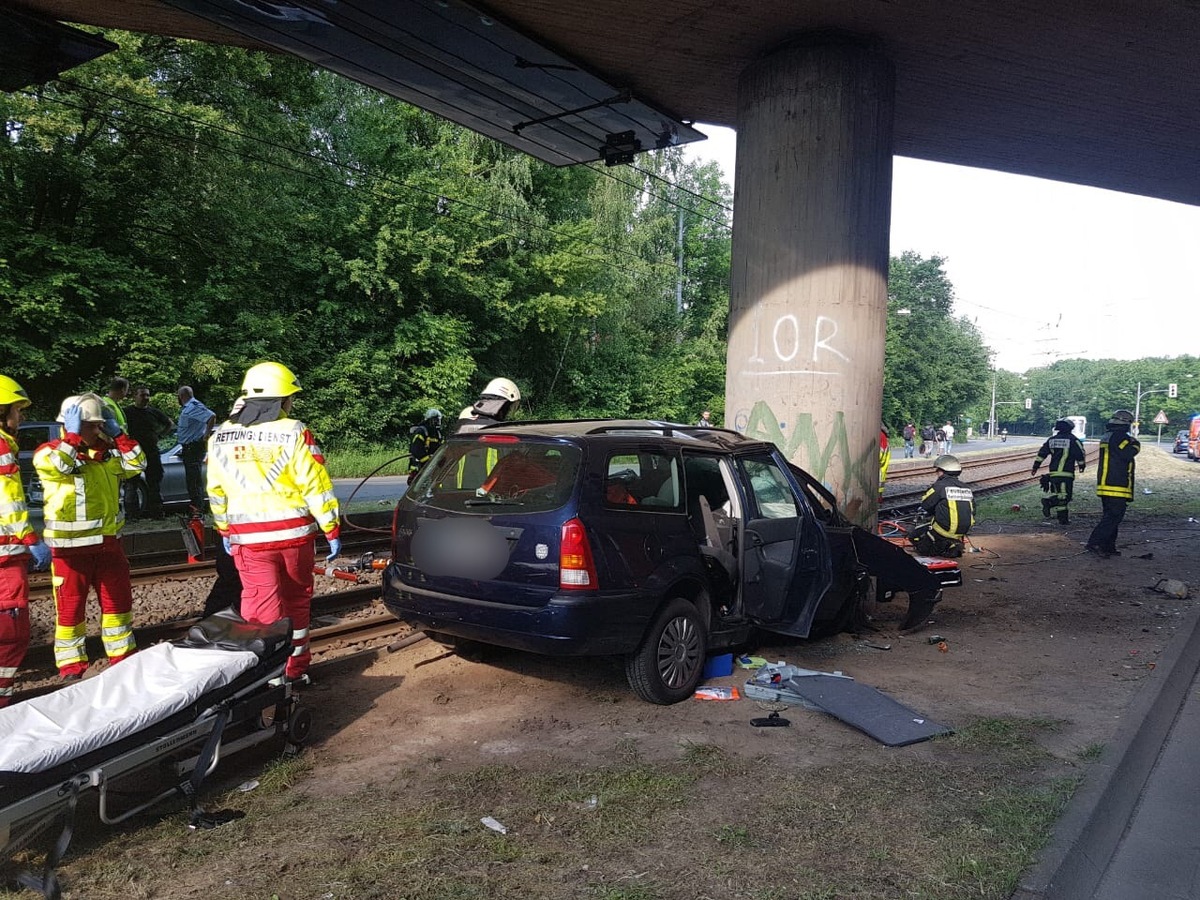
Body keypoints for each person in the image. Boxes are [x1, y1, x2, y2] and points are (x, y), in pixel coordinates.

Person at [206, 362, 340, 683]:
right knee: (296, 602)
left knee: (260, 606)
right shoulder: (295, 431)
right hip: (295, 537)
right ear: (281, 400)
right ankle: (294, 670)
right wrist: (331, 528)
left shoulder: (220, 436)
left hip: (248, 542)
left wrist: (224, 529)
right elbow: (315, 484)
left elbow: (216, 489)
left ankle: (267, 676)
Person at [33, 392, 145, 679]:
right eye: (89, 425)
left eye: (98, 425)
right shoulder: (49, 453)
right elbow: (61, 465)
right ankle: (72, 668)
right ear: (69, 425)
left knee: (118, 607)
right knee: (70, 612)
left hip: (108, 548)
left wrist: (119, 435)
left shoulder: (106, 456)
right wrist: (71, 436)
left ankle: (123, 659)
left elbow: (137, 464)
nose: (96, 431)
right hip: (71, 552)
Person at [0, 375, 52, 706]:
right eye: (17, 410)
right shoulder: (1, 448)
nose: (21, 418)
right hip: (5, 555)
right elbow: (9, 501)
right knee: (9, 631)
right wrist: (30, 537)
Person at [1086, 409, 1140, 559]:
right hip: (1116, 483)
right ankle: (1095, 543)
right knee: (1113, 517)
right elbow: (1128, 453)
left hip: (1106, 482)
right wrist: (1135, 444)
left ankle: (1109, 546)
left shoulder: (1108, 436)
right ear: (1126, 423)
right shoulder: (1120, 437)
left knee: (1111, 516)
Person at [907, 454, 974, 558]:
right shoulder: (966, 488)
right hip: (962, 531)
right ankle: (952, 544)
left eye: (937, 470)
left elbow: (926, 504)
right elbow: (973, 510)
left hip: (943, 530)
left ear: (943, 471)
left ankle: (941, 546)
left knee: (913, 536)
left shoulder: (939, 486)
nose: (936, 472)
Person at [123, 384, 175, 518]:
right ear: (135, 396)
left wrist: (160, 435)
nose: (145, 398)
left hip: (151, 451)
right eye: (142, 395)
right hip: (133, 453)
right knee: (131, 484)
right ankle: (132, 515)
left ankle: (157, 513)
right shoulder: (127, 412)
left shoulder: (153, 412)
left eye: (147, 395)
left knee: (154, 482)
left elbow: (169, 423)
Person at [1032, 418, 1086, 525]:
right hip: (1066, 473)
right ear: (1070, 428)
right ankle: (1049, 503)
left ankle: (1063, 519)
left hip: (1053, 473)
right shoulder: (1073, 440)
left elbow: (1042, 454)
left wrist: (1035, 467)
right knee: (1065, 496)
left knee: (1061, 495)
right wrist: (1081, 465)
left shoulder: (1051, 440)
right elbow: (1080, 453)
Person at [176, 385, 216, 513]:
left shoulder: (193, 406)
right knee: (191, 480)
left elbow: (211, 416)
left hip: (193, 447)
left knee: (193, 481)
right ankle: (196, 507)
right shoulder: (188, 408)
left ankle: (197, 509)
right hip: (189, 448)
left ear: (181, 396)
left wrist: (206, 435)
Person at [454, 377, 521, 433]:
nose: (508, 411)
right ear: (504, 405)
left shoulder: (463, 422)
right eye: (509, 407)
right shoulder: (500, 430)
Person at [408, 408, 444, 485]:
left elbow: (440, 448)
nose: (438, 423)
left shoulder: (437, 433)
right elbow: (416, 449)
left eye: (438, 420)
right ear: (430, 420)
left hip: (431, 468)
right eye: (436, 420)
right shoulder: (421, 431)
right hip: (419, 468)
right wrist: (428, 461)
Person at [878, 425, 891, 502]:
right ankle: (879, 497)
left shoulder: (879, 435)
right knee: (880, 482)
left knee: (878, 481)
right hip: (883, 465)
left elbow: (880, 452)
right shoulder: (884, 436)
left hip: (879, 465)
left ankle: (878, 498)